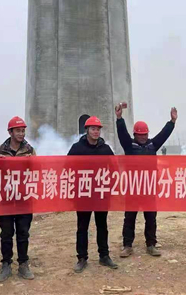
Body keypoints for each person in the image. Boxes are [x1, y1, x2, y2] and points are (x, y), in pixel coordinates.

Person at [115, 104, 177, 258]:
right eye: (139, 134)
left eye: (144, 134)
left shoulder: (152, 145)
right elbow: (122, 134)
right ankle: (127, 245)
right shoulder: (129, 146)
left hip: (149, 188)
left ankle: (151, 244)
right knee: (130, 218)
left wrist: (172, 122)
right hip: (133, 188)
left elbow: (163, 135)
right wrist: (119, 119)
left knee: (151, 218)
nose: (142, 137)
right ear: (135, 134)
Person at [68, 116, 118, 273]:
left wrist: (111, 187)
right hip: (83, 193)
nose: (96, 132)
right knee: (82, 226)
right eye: (93, 129)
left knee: (102, 225)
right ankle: (82, 258)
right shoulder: (77, 149)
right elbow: (67, 168)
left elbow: (114, 169)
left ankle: (104, 255)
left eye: (98, 129)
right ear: (87, 130)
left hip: (101, 193)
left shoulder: (106, 149)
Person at [0, 116, 36, 282]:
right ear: (10, 132)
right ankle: (6, 264)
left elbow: (38, 172)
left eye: (23, 131)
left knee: (23, 232)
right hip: (5, 199)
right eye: (18, 131)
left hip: (24, 199)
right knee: (6, 234)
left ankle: (23, 263)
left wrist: (31, 163)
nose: (21, 133)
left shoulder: (30, 151)